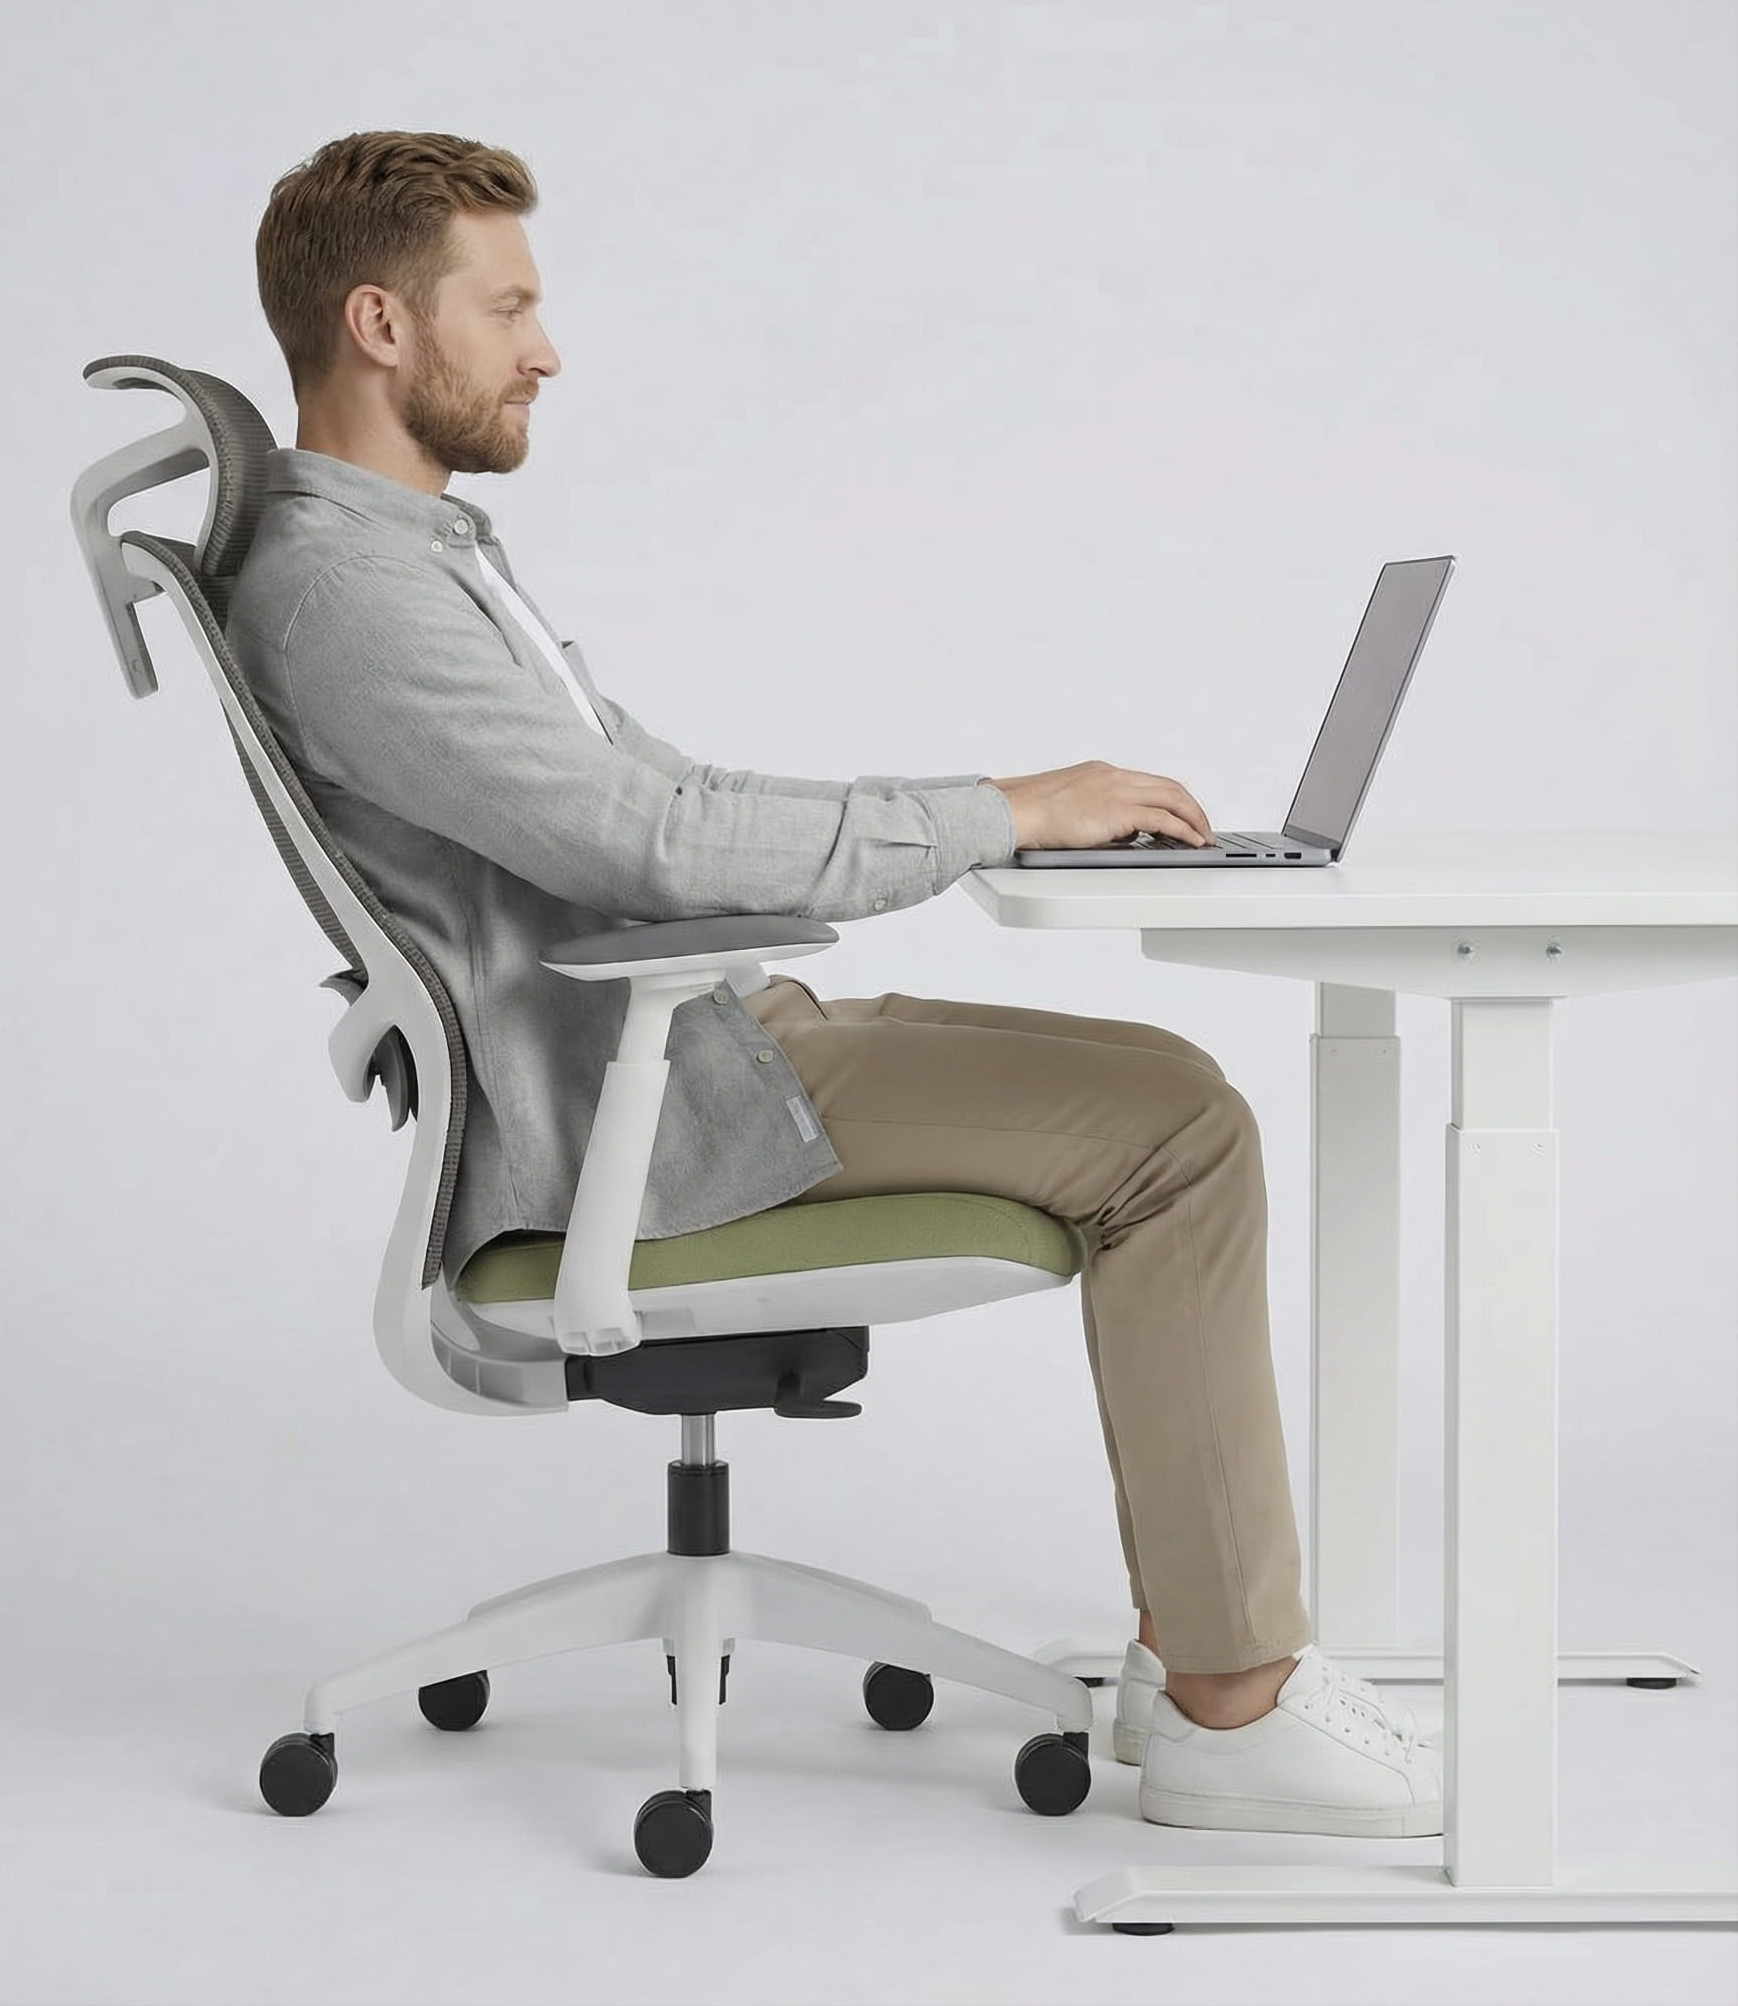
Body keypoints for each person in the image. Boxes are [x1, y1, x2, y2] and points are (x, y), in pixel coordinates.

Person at [224, 129, 1442, 1839]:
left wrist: (998, 823)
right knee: (1174, 1128)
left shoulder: (419, 554)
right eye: (507, 308)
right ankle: (1232, 1709)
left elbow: (661, 795)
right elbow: (645, 840)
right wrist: (998, 810)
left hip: (688, 1038)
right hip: (641, 1116)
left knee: (1158, 1075)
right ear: (380, 325)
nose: (547, 349)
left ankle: (1200, 1652)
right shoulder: (351, 591)